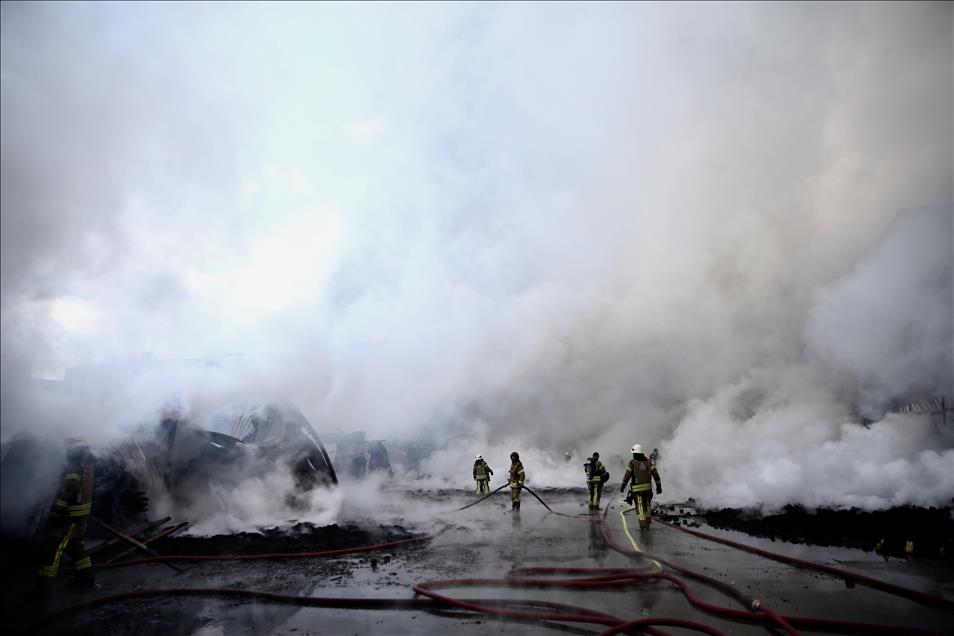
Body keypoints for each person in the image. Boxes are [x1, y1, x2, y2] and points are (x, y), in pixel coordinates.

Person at [32, 437, 97, 611]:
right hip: (81, 516)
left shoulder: (74, 468)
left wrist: (56, 511)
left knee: (52, 551)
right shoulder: (88, 466)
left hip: (68, 518)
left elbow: (70, 491)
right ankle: (86, 580)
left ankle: (42, 592)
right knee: (76, 548)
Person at [619, 443, 661, 529]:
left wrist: (623, 486)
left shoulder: (632, 463)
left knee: (640, 506)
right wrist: (659, 486)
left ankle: (643, 524)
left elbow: (627, 476)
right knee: (647, 504)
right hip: (648, 489)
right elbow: (656, 475)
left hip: (637, 490)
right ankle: (648, 521)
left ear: (634, 453)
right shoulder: (649, 462)